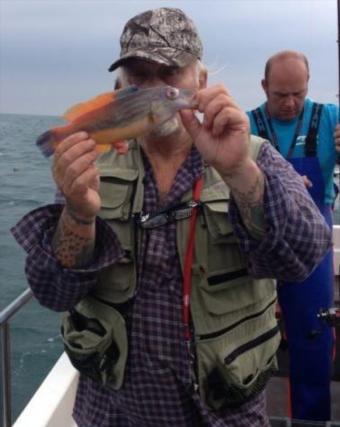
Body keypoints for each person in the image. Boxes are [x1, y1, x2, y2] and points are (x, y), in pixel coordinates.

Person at [11, 10, 331, 427]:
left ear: (199, 80)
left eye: (171, 71)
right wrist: (77, 214)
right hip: (113, 414)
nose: (155, 87)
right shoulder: (89, 170)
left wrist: (240, 175)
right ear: (119, 87)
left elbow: (304, 259)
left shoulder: (254, 155)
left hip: (226, 415)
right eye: (139, 75)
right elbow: (52, 292)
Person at [247, 50, 340, 422]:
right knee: (244, 329)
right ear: (264, 87)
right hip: (258, 236)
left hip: (313, 241)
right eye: (280, 95)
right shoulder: (246, 124)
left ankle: (311, 419)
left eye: (298, 94)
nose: (289, 103)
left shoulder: (331, 118)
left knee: (314, 335)